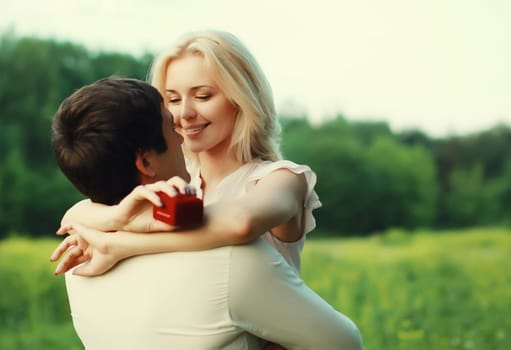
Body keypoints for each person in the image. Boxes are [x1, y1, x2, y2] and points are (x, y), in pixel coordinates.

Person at [51, 76, 362, 349]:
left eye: (202, 95)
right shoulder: (233, 262)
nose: (181, 131)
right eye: (169, 121)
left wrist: (117, 228)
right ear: (146, 163)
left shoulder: (80, 258)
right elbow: (343, 343)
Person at [55, 30, 321, 276]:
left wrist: (121, 244)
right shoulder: (177, 181)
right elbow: (72, 217)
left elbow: (241, 223)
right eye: (172, 99)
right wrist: (118, 217)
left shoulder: (282, 179)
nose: (184, 113)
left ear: (242, 99)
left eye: (203, 96)